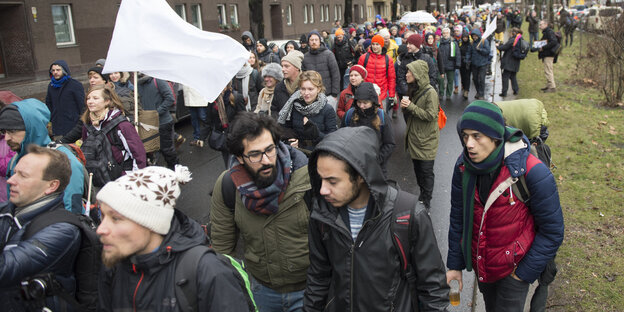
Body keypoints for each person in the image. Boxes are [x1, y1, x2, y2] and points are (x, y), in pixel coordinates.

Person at [302, 126, 449, 311]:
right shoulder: (322, 215)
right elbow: (318, 277)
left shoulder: (407, 215)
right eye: (320, 179)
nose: (323, 190)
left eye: (332, 181)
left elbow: (433, 289)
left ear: (361, 175)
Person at [447, 100, 564, 312]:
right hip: (484, 266)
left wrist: (522, 275)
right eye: (465, 136)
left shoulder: (532, 172)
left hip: (514, 272)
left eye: (476, 136)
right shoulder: (463, 166)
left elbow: (553, 231)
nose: (469, 144)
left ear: (495, 137)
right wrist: (455, 265)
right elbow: (458, 217)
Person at [96, 165, 253, 311]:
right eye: (102, 217)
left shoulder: (208, 272)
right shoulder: (114, 266)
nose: (100, 229)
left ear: (151, 222)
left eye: (116, 218)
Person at [210, 112, 311, 312]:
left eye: (270, 150)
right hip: (261, 292)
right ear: (239, 157)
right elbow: (223, 249)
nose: (266, 160)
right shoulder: (228, 186)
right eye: (255, 154)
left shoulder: (308, 176)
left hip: (309, 290)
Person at [0, 146, 81, 311]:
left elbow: (7, 268)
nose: (11, 180)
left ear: (51, 186)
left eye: (23, 176)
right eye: (14, 172)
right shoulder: (6, 213)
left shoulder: (63, 229)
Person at [0, 99, 85, 214]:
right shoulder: (15, 160)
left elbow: (72, 214)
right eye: (4, 131)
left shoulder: (65, 162)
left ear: (33, 128)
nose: (6, 138)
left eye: (12, 131)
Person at [81, 84, 146, 176]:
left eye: (95, 98)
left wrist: (136, 178)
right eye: (88, 98)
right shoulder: (87, 125)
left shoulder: (122, 125)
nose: (90, 101)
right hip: (97, 177)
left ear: (107, 101)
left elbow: (138, 153)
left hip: (123, 176)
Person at [400, 60, 439, 211]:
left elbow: (431, 115)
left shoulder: (431, 93)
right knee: (418, 170)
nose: (407, 74)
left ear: (417, 74)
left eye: (409, 72)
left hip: (426, 139)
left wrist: (411, 106)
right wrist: (406, 107)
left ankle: (426, 201)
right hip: (415, 137)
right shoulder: (413, 89)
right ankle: (422, 195)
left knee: (426, 172)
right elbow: (411, 112)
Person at [342, 82, 395, 176]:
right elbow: (342, 139)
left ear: (373, 102)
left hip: (377, 168)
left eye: (365, 103)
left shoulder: (382, 116)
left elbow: (389, 144)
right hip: (353, 166)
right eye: (359, 102)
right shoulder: (349, 115)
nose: (361, 106)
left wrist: (376, 160)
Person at [278, 71, 337, 151]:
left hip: (319, 152)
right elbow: (286, 129)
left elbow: (333, 139)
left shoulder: (327, 109)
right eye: (303, 89)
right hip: (299, 151)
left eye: (310, 89)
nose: (306, 93)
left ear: (318, 89)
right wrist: (291, 140)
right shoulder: (294, 106)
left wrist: (316, 134)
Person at [137, 74, 179, 169]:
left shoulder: (158, 80)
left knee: (167, 150)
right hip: (148, 124)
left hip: (163, 122)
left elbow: (170, 98)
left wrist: (156, 112)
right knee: (151, 150)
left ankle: (175, 171)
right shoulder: (137, 85)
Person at [358, 34, 397, 118]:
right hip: (366, 94)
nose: (375, 47)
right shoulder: (363, 58)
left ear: (381, 45)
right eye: (373, 44)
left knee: (381, 118)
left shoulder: (388, 59)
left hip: (382, 95)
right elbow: (359, 76)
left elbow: (391, 78)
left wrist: (391, 96)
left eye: (377, 44)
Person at [208, 83, 245, 168]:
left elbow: (243, 118)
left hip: (236, 136)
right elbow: (210, 119)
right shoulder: (213, 99)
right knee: (229, 165)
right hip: (224, 137)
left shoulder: (236, 97)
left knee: (240, 164)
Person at [45, 60, 85, 138]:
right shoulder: (51, 86)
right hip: (57, 125)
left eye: (58, 70)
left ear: (64, 70)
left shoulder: (74, 85)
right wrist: (52, 117)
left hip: (72, 124)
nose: (55, 72)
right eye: (53, 70)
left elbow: (81, 104)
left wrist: (81, 121)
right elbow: (49, 103)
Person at [302, 31, 341, 111]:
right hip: (312, 97)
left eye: (316, 40)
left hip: (328, 95)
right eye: (311, 40)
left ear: (320, 41)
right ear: (308, 42)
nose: (314, 42)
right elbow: (303, 76)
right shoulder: (305, 57)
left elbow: (335, 74)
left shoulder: (328, 54)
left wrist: (334, 94)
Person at [397, 34, 439, 99]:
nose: (407, 46)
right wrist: (407, 91)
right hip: (409, 95)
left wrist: (425, 92)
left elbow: (433, 76)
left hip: (425, 95)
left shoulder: (427, 58)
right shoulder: (405, 58)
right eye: (407, 43)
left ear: (416, 45)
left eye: (410, 44)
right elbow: (401, 77)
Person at [271, 50, 305, 118]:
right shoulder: (279, 87)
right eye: (282, 66)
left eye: (286, 66)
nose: (283, 69)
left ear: (297, 68)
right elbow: (274, 109)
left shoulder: (307, 85)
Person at [497, 28, 525, 97]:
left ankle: (504, 92)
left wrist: (498, 46)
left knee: (505, 77)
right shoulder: (520, 39)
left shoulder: (513, 40)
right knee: (513, 76)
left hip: (509, 61)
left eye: (510, 33)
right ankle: (516, 90)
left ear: (513, 33)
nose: (509, 34)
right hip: (516, 62)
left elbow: (504, 47)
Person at [533, 20, 558, 93]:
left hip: (549, 54)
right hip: (547, 53)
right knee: (547, 70)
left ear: (546, 24)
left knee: (548, 70)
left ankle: (552, 87)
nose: (539, 26)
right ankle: (549, 85)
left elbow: (553, 42)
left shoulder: (549, 32)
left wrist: (543, 47)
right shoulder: (547, 32)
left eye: (541, 25)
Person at [437, 27, 462, 100]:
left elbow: (457, 54)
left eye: (447, 33)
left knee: (450, 80)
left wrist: (458, 64)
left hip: (451, 65)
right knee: (440, 80)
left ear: (449, 33)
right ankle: (441, 93)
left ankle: (448, 94)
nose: (445, 34)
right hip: (441, 65)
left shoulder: (453, 43)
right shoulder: (439, 43)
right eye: (444, 33)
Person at [466, 28, 490, 100]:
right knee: (475, 79)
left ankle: (481, 94)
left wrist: (480, 50)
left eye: (476, 36)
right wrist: (467, 60)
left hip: (483, 64)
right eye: (473, 36)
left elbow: (487, 51)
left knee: (481, 79)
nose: (474, 37)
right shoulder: (472, 43)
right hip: (474, 64)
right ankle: (478, 91)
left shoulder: (484, 41)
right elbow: (469, 52)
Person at [459, 32, 472, 99]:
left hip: (468, 63)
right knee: (463, 77)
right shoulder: (460, 44)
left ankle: (466, 90)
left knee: (467, 77)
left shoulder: (470, 45)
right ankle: (464, 87)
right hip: (461, 63)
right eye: (464, 37)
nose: (465, 39)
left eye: (466, 37)